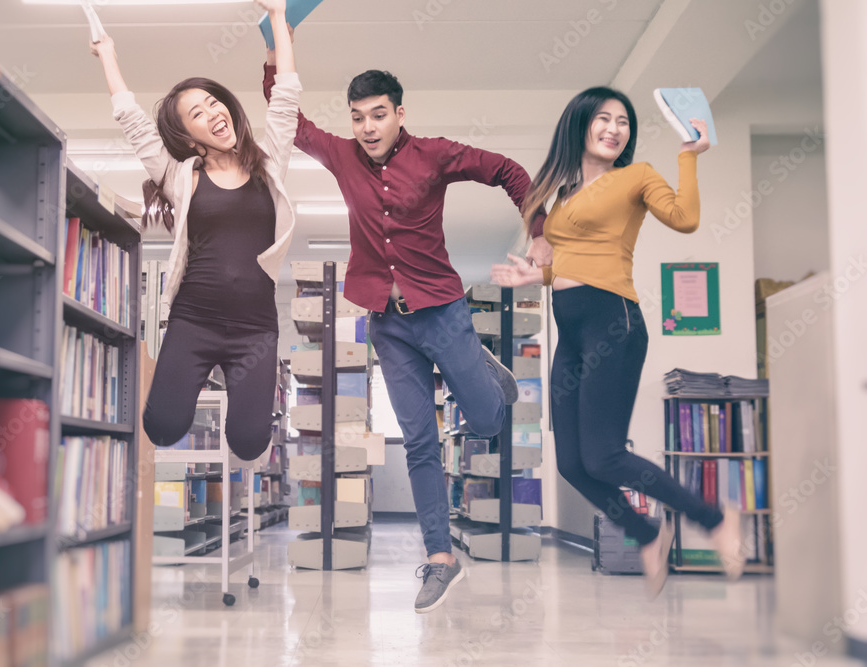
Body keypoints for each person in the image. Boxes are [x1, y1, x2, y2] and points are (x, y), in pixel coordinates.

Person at [263, 35, 546, 613]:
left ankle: (484, 378)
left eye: (379, 115)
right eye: (359, 117)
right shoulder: (341, 155)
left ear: (399, 114)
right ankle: (441, 558)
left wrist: (537, 230)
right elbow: (286, 116)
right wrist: (275, 43)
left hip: (442, 310)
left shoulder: (435, 154)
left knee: (490, 424)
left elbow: (509, 171)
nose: (368, 127)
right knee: (417, 442)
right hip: (387, 324)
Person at [491, 87, 744, 597]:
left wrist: (687, 158)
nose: (614, 128)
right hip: (570, 331)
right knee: (571, 463)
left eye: (623, 121)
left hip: (614, 322)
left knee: (604, 456)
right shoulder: (561, 197)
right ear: (581, 125)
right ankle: (648, 533)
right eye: (603, 118)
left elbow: (685, 219)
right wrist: (534, 276)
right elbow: (565, 266)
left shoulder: (638, 176)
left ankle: (714, 518)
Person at [90, 0, 299, 462]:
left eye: (213, 103)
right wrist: (108, 56)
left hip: (255, 327)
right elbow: (135, 125)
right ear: (188, 138)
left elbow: (286, 99)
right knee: (162, 428)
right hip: (194, 319)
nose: (213, 113)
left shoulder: (269, 166)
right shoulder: (181, 178)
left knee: (249, 443)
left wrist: (280, 18)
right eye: (198, 114)